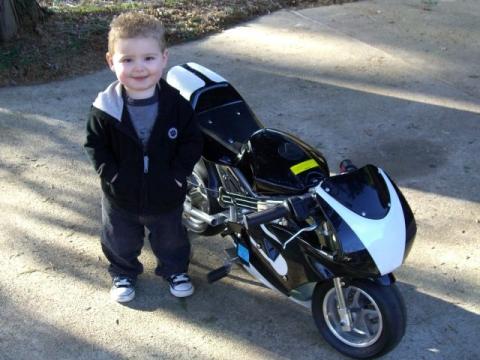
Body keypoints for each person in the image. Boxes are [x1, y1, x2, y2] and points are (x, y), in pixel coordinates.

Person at [84, 12, 203, 303]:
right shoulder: (104, 109)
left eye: (148, 58)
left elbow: (192, 141)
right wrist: (112, 175)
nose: (139, 68)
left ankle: (175, 270)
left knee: (171, 237)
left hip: (166, 192)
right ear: (111, 61)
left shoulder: (176, 106)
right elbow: (95, 145)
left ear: (164, 58)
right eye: (127, 59)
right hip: (121, 194)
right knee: (120, 238)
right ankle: (123, 272)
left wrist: (178, 174)